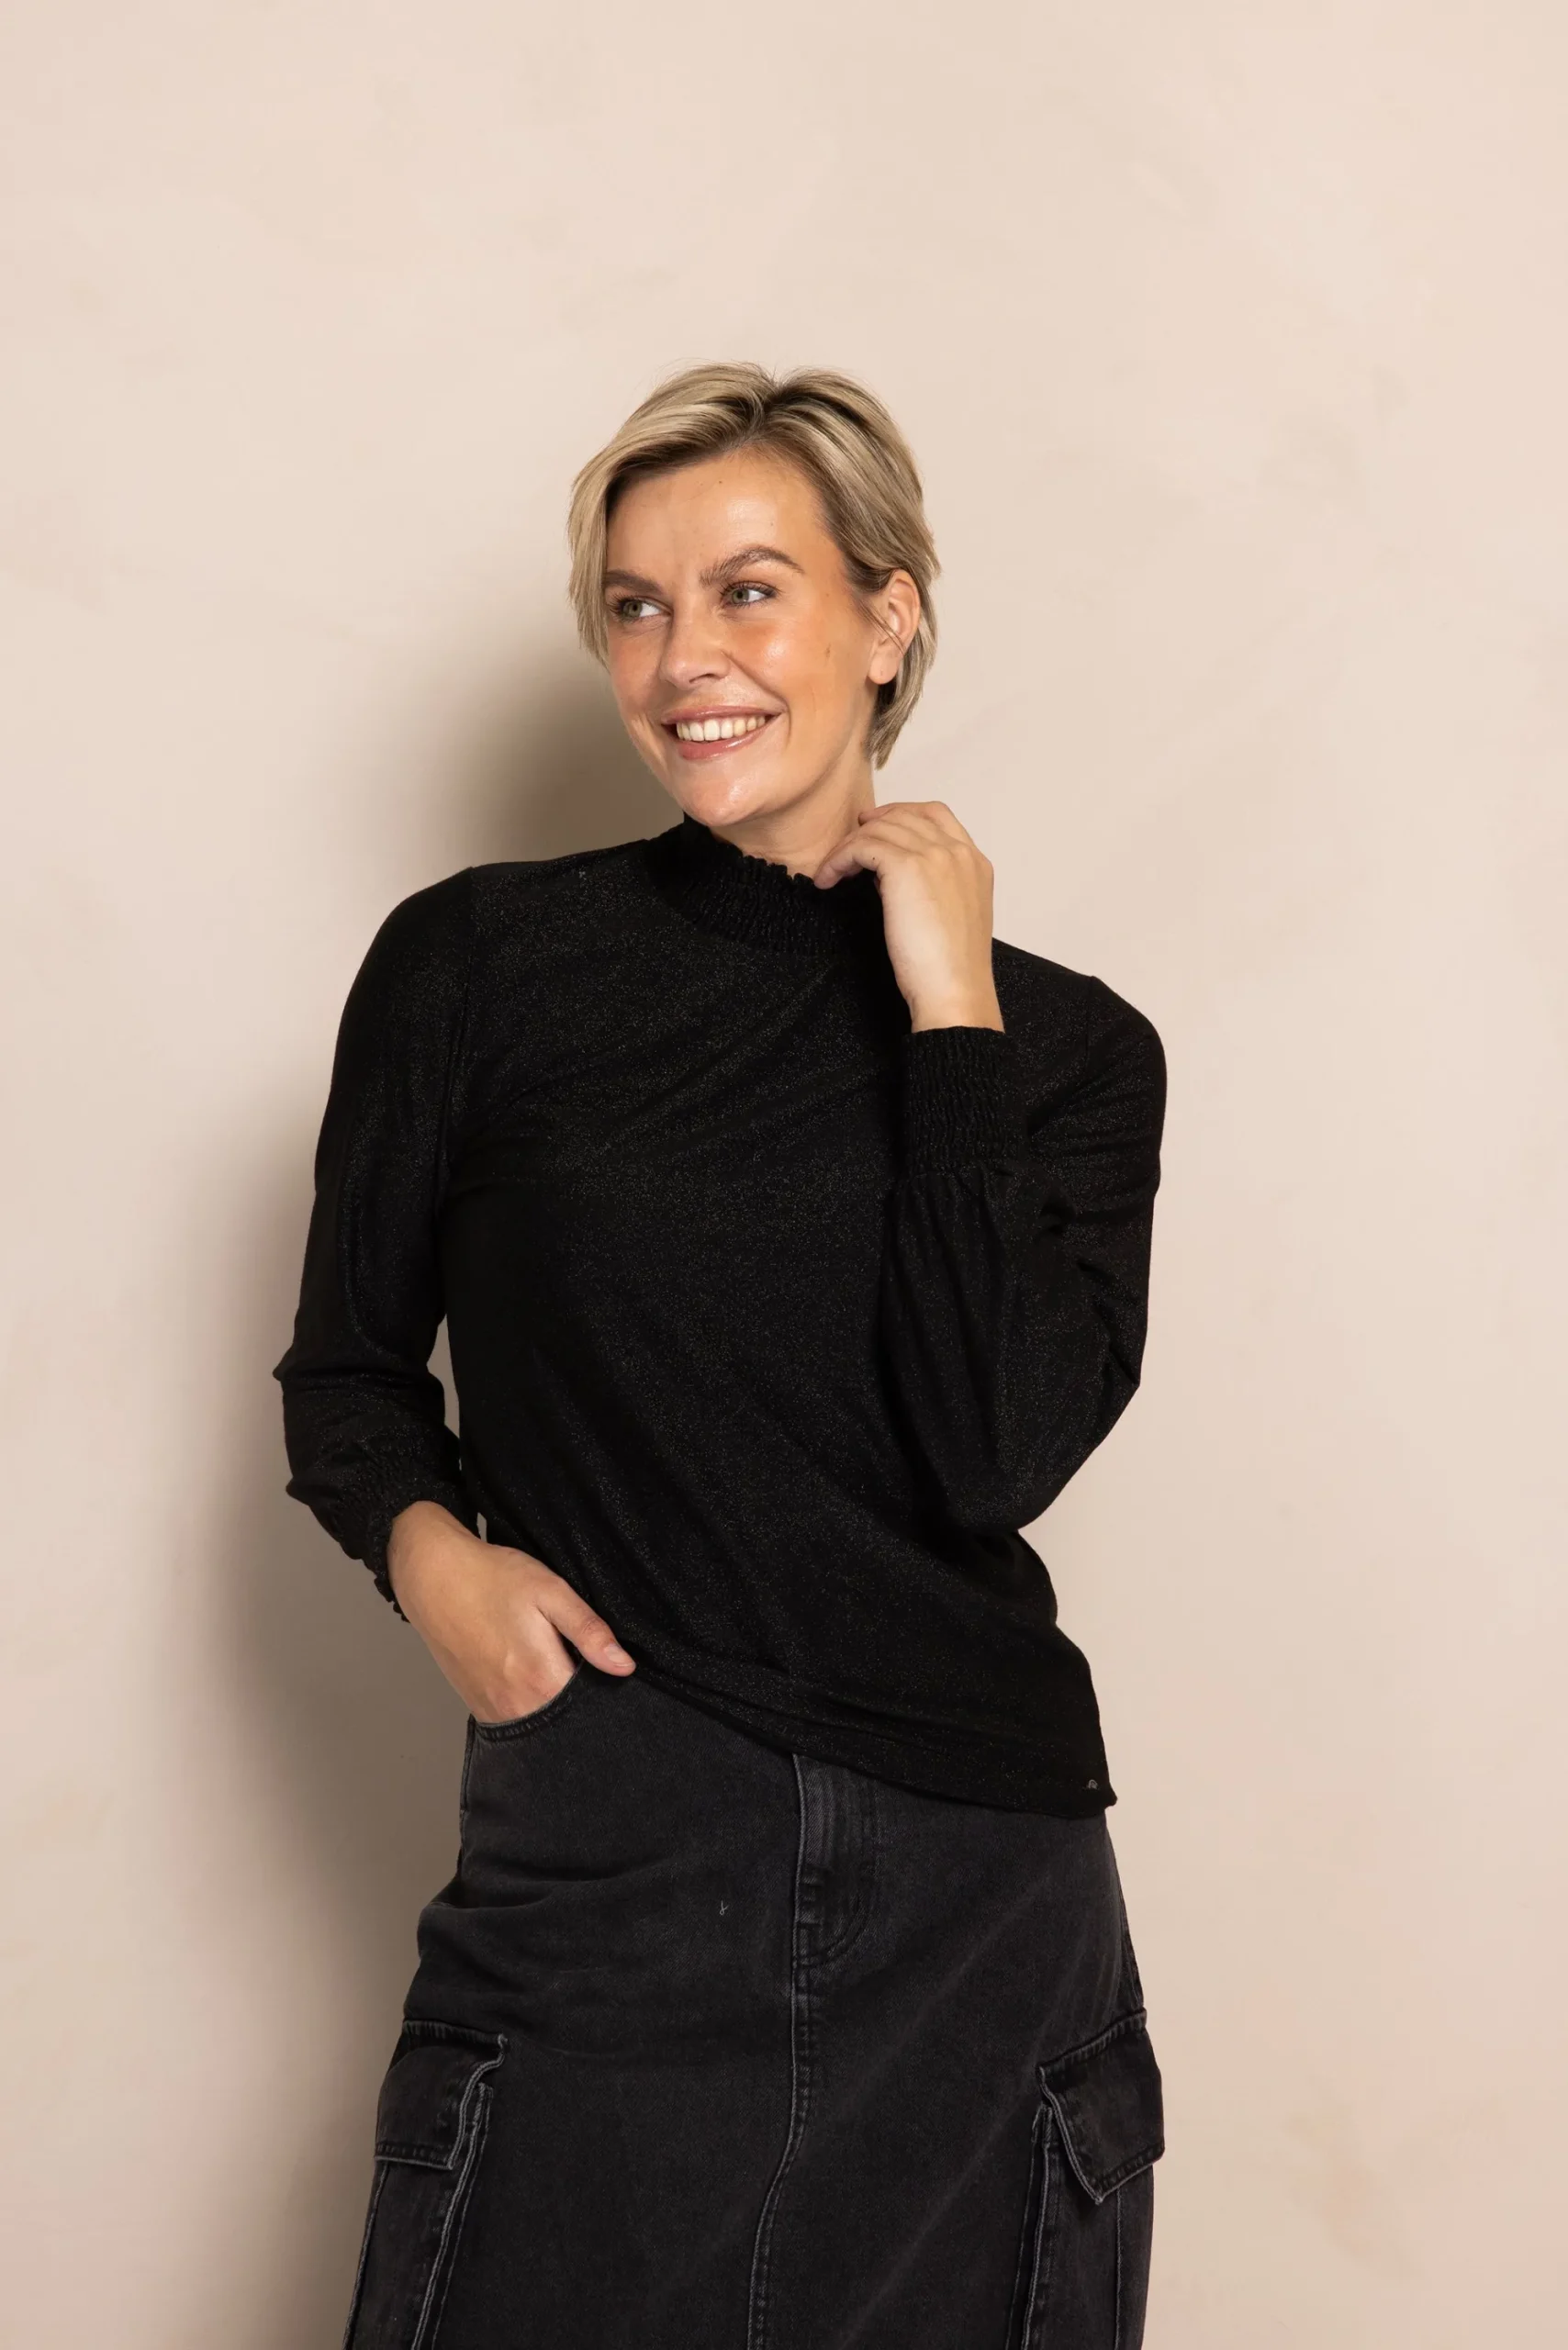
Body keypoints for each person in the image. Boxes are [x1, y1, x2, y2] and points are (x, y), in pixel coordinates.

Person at [274, 363, 1168, 2350]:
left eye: (749, 591)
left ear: (887, 616)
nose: (685, 657)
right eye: (637, 605)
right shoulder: (479, 964)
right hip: (612, 1830)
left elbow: (991, 1448)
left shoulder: (1071, 1052)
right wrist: (436, 1562)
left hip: (976, 1885)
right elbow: (346, 1371)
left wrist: (949, 1016)